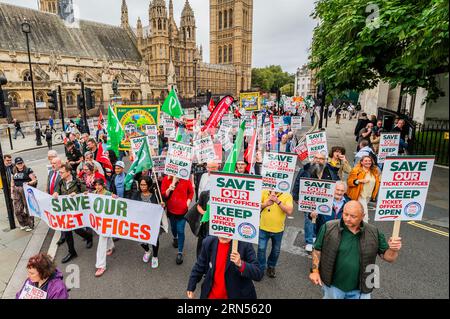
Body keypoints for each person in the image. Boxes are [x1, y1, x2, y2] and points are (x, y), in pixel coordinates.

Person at [309, 201, 402, 299]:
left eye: (353, 216)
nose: (348, 219)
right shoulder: (328, 227)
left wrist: (393, 249)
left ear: (363, 216)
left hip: (362, 288)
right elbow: (317, 250)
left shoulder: (373, 232)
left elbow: (389, 258)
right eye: (345, 214)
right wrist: (315, 271)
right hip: (333, 286)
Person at [187, 236, 263, 299]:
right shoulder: (208, 242)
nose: (223, 236)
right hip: (211, 295)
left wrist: (241, 264)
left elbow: (258, 273)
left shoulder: (244, 244)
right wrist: (191, 286)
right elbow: (199, 266)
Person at [292, 151, 339, 252]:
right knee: (309, 219)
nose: (318, 160)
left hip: (325, 202)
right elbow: (297, 182)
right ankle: (309, 241)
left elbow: (337, 182)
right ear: (313, 159)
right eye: (316, 158)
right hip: (308, 201)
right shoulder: (305, 169)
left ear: (325, 160)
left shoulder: (330, 171)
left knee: (322, 219)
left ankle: (316, 236)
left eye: (321, 158)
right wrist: (295, 197)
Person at [53, 163, 93, 263]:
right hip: (65, 211)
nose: (60, 174)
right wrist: (56, 193)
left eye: (62, 172)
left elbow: (86, 193)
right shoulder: (60, 182)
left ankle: (88, 236)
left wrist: (77, 194)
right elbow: (56, 190)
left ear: (68, 172)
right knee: (67, 232)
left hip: (76, 211)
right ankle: (72, 252)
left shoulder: (78, 181)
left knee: (77, 230)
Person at [258, 190, 293, 278]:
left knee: (276, 250)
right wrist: (265, 204)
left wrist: (277, 201)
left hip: (278, 230)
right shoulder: (264, 192)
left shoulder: (287, 195)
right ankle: (260, 268)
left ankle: (271, 266)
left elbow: (289, 211)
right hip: (263, 227)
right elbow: (254, 206)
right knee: (261, 249)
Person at [132, 176, 164, 269]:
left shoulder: (155, 195)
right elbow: (129, 204)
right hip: (140, 222)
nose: (142, 186)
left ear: (149, 185)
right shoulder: (136, 194)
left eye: (144, 185)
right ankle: (147, 251)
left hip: (153, 223)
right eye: (141, 185)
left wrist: (162, 205)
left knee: (154, 241)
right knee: (141, 240)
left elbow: (161, 206)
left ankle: (155, 256)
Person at [161, 175, 194, 265]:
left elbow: (191, 192)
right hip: (171, 211)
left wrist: (188, 203)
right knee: (173, 228)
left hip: (182, 212)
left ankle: (180, 252)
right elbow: (164, 195)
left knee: (180, 230)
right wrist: (172, 184)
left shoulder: (186, 179)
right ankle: (175, 238)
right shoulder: (166, 179)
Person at [92, 178, 116, 277]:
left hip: (107, 221)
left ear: (103, 185)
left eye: (99, 185)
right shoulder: (93, 193)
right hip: (99, 221)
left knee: (101, 242)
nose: (97, 187)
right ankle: (110, 247)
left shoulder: (108, 194)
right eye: (96, 185)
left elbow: (116, 203)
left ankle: (101, 265)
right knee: (105, 236)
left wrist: (115, 197)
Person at [347, 155, 381, 223]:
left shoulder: (374, 171)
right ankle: (366, 228)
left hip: (368, 195)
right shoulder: (356, 170)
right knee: (364, 212)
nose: (368, 162)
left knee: (359, 212)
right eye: (365, 161)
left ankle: (354, 224)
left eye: (369, 161)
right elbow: (349, 182)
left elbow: (377, 181)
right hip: (359, 194)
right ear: (361, 162)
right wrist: (359, 181)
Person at [11, 157, 37, 231]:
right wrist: (11, 191)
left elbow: (34, 180)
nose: (20, 164)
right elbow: (12, 181)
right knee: (17, 210)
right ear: (15, 164)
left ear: (23, 162)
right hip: (16, 190)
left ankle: (30, 224)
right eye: (18, 163)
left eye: (21, 163)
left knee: (28, 207)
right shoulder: (14, 170)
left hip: (25, 190)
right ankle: (23, 222)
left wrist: (28, 183)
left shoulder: (28, 170)